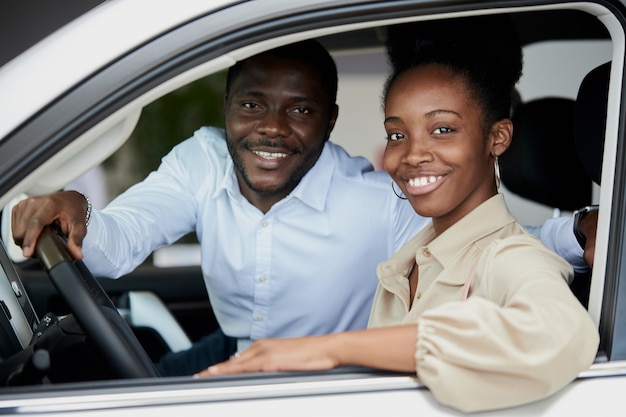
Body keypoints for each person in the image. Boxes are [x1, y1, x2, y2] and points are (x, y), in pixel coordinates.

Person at [11, 39, 595, 378]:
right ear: (227, 108)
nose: (270, 127)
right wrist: (78, 207)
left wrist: (581, 231)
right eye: (252, 103)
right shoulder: (202, 161)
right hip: (236, 351)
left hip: (325, 380)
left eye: (300, 110)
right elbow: (119, 238)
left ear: (330, 120)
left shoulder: (377, 198)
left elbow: (486, 252)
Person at [195, 30, 600, 413]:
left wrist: (335, 348)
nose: (412, 154)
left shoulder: (511, 257)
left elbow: (561, 335)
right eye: (397, 135)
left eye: (442, 129)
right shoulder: (409, 259)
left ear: (497, 138)